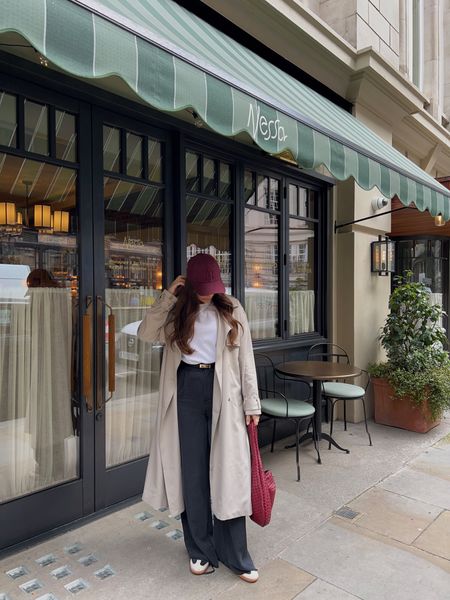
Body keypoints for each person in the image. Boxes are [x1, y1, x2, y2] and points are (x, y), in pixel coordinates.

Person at [138, 253, 261, 583]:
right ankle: (199, 550)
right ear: (189, 284)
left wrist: (253, 404)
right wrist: (167, 296)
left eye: (212, 286)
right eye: (202, 287)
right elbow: (146, 333)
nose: (208, 293)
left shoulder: (232, 307)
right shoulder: (178, 308)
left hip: (226, 393)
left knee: (228, 474)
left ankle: (236, 555)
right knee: (191, 473)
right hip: (187, 390)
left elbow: (246, 359)